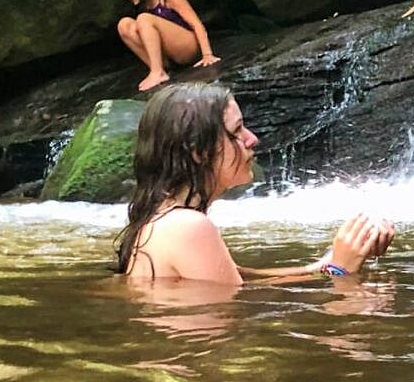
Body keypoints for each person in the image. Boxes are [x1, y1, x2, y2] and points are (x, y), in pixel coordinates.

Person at [114, 82, 395, 285]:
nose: (252, 139)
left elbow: (246, 283)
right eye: (237, 130)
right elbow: (237, 308)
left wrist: (332, 261)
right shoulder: (187, 226)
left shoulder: (165, 218)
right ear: (198, 151)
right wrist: (340, 272)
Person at [116, 0, 221, 92]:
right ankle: (158, 68)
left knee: (143, 19)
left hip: (187, 47)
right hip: (169, 56)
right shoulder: (143, 2)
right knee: (124, 24)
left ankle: (158, 72)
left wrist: (207, 54)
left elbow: (196, 24)